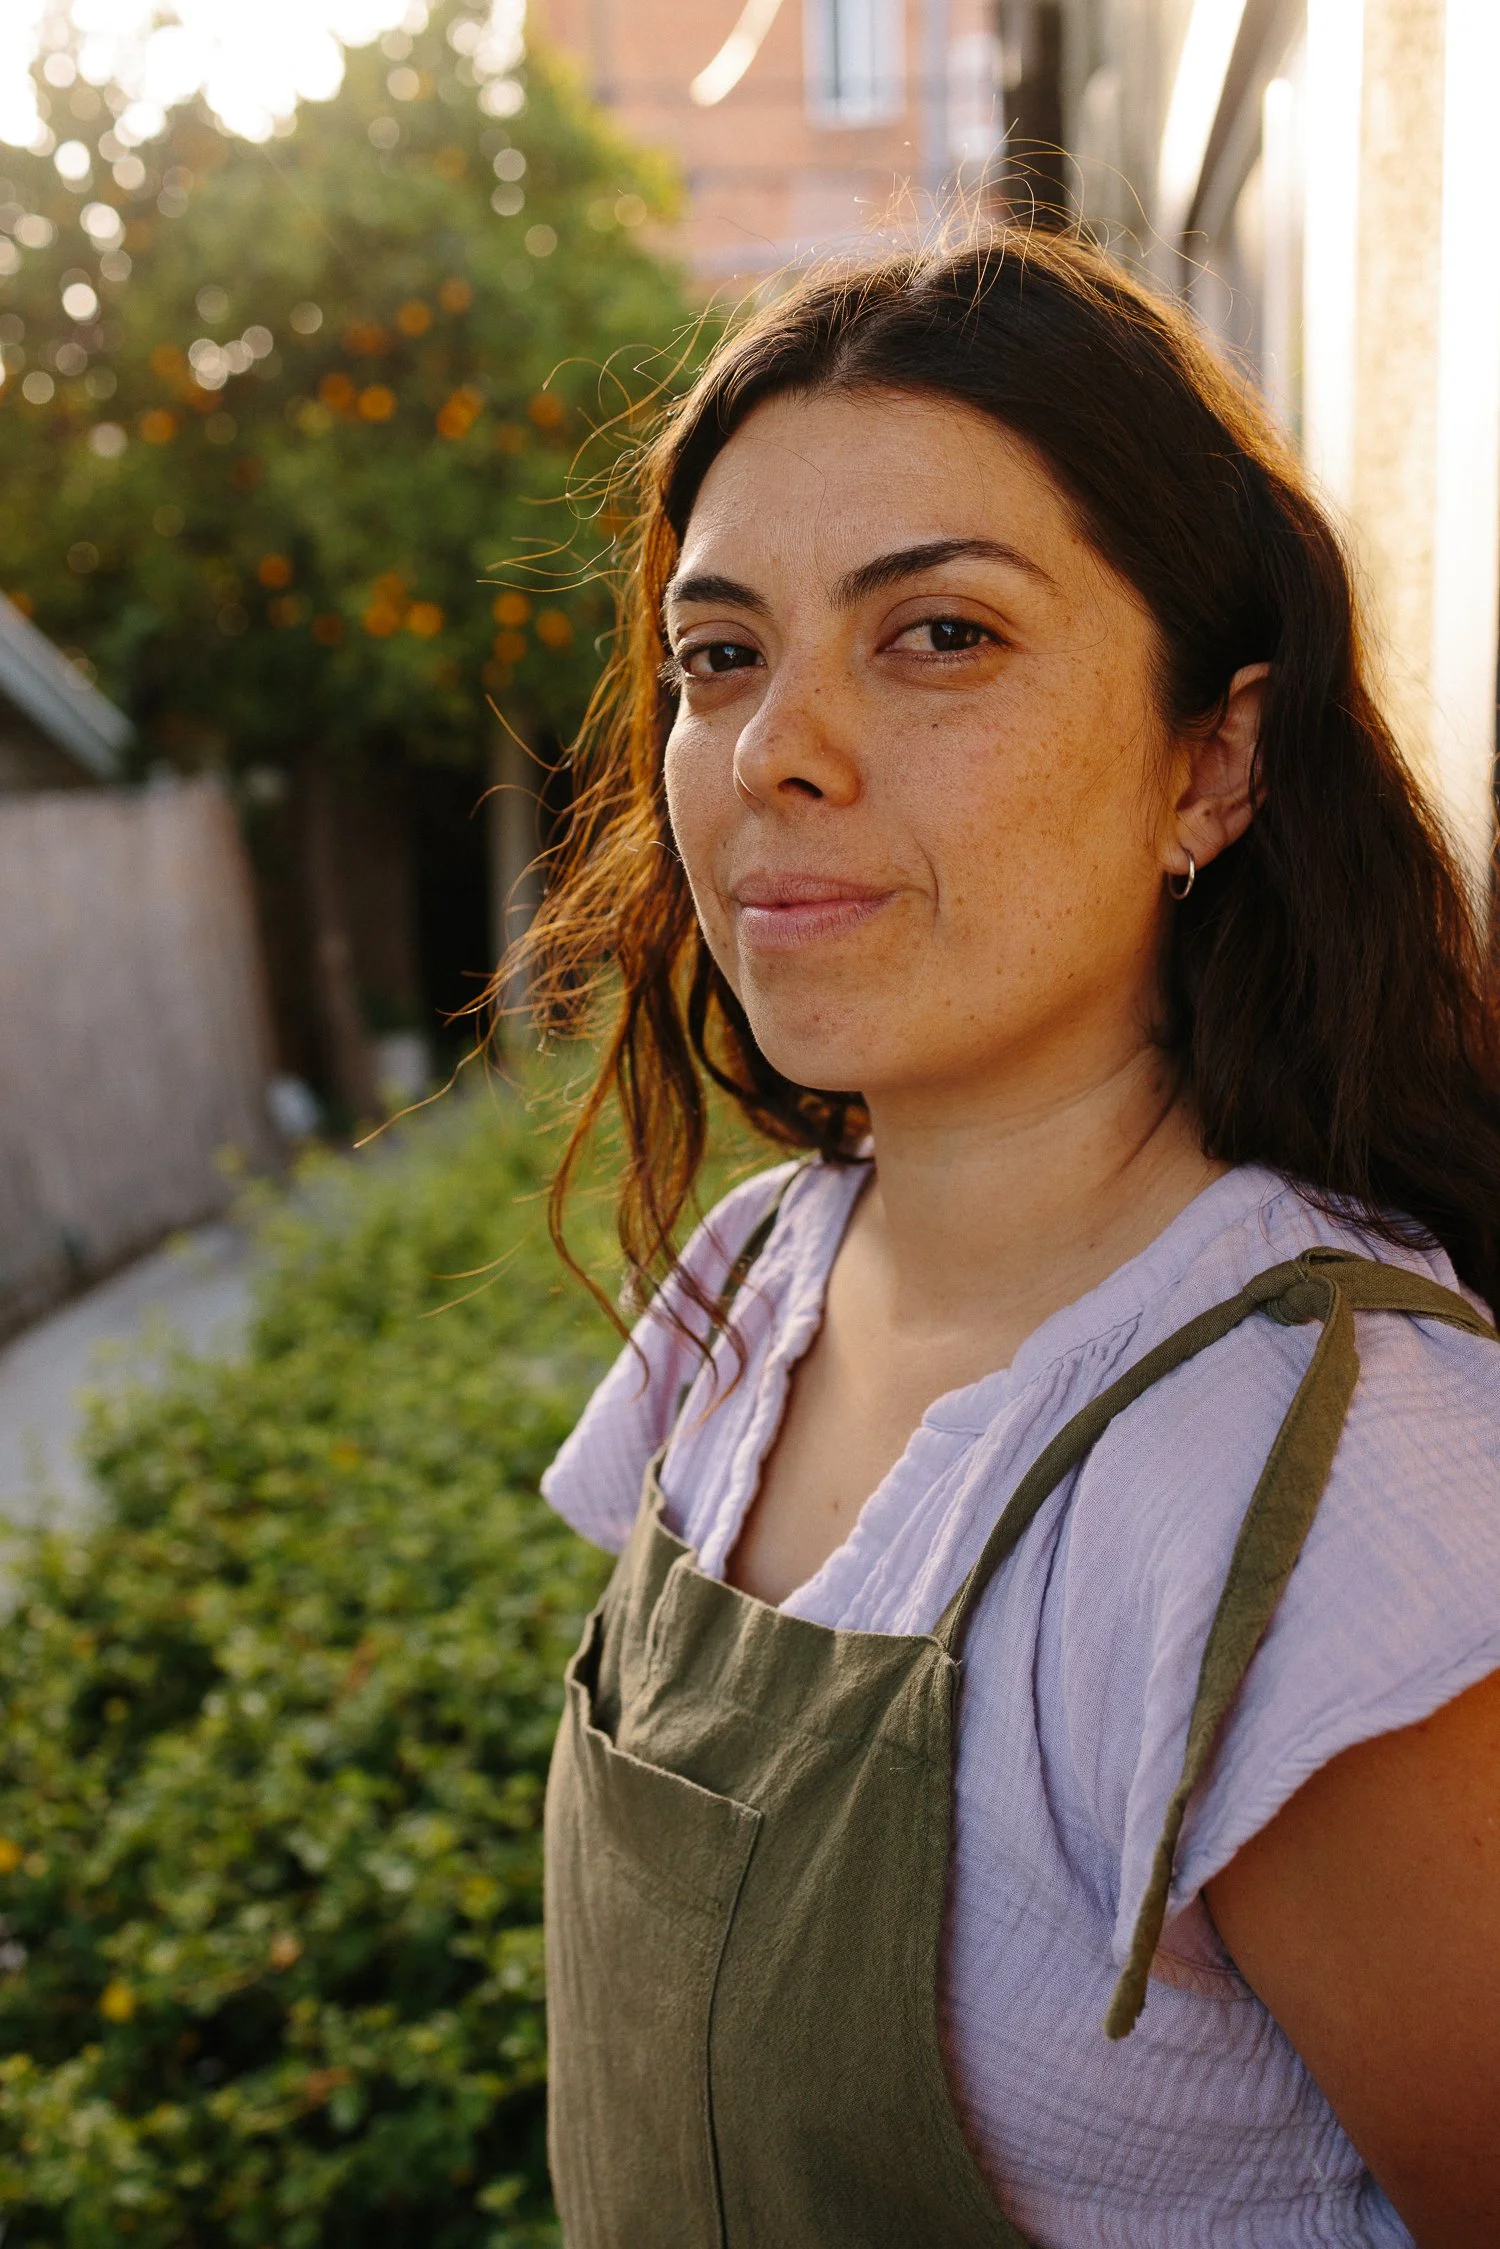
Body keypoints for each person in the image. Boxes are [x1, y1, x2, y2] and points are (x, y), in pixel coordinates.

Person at [523, 231, 1500, 2248]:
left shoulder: (1326, 1487)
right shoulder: (749, 1283)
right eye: (723, 653)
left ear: (1211, 758)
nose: (777, 746)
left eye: (939, 634)